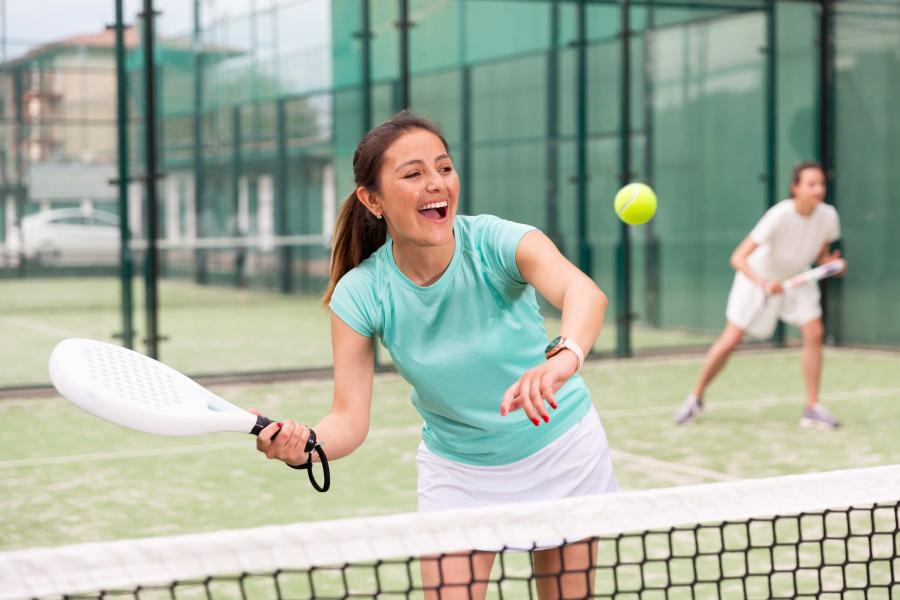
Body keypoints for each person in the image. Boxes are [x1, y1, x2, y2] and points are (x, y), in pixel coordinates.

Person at [254, 110, 617, 599]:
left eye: (444, 168)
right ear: (372, 199)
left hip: (563, 451)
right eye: (413, 174)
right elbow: (348, 421)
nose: (436, 184)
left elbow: (583, 293)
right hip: (460, 474)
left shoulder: (497, 241)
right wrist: (306, 444)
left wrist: (563, 357)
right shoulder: (361, 294)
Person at [674, 161, 846, 430]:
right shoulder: (779, 215)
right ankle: (695, 398)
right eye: (811, 184)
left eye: (821, 184)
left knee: (814, 332)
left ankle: (812, 407)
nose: (818, 189)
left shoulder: (828, 216)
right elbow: (738, 257)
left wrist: (832, 265)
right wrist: (764, 283)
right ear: (795, 188)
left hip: (796, 278)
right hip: (757, 277)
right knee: (731, 339)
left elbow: (822, 255)